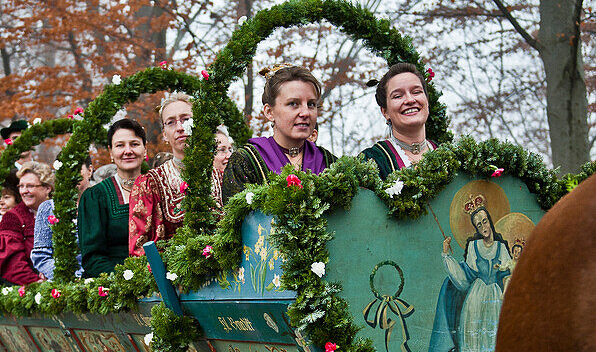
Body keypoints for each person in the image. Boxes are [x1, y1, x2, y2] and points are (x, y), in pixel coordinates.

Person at [421, 206, 512, 352]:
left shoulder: (502, 248)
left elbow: (510, 274)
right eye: (478, 224)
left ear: (491, 221)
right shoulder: (473, 247)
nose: (483, 226)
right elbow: (464, 279)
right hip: (475, 305)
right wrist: (447, 256)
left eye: (485, 221)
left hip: (496, 303)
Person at [222, 65, 335, 198]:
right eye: (293, 103)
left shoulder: (329, 162)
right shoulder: (246, 162)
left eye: (311, 104)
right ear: (269, 112)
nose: (305, 113)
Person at [129, 93, 222, 254]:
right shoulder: (151, 183)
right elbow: (140, 249)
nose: (180, 127)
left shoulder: (221, 178)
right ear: (164, 134)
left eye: (186, 119)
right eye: (171, 122)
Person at [78, 119, 148, 276]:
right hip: (111, 287)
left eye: (134, 144)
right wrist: (125, 281)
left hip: (159, 284)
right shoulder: (95, 197)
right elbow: (92, 257)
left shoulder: (157, 189)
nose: (128, 150)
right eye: (120, 145)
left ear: (145, 149)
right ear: (111, 152)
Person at [359, 63, 436, 178]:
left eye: (416, 92)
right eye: (398, 96)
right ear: (385, 112)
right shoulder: (371, 162)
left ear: (427, 101)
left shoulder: (451, 156)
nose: (410, 100)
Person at [31, 156, 94, 280]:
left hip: (99, 280)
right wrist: (69, 277)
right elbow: (41, 255)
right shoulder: (47, 208)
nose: (71, 174)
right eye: (65, 168)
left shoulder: (102, 203)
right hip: (62, 283)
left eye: (76, 168)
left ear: (90, 170)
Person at [0, 162, 54, 284]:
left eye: (30, 186)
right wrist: (37, 283)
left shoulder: (62, 210)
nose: (24, 191)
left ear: (47, 188)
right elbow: (12, 263)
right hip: (30, 289)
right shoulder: (12, 218)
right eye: (21, 186)